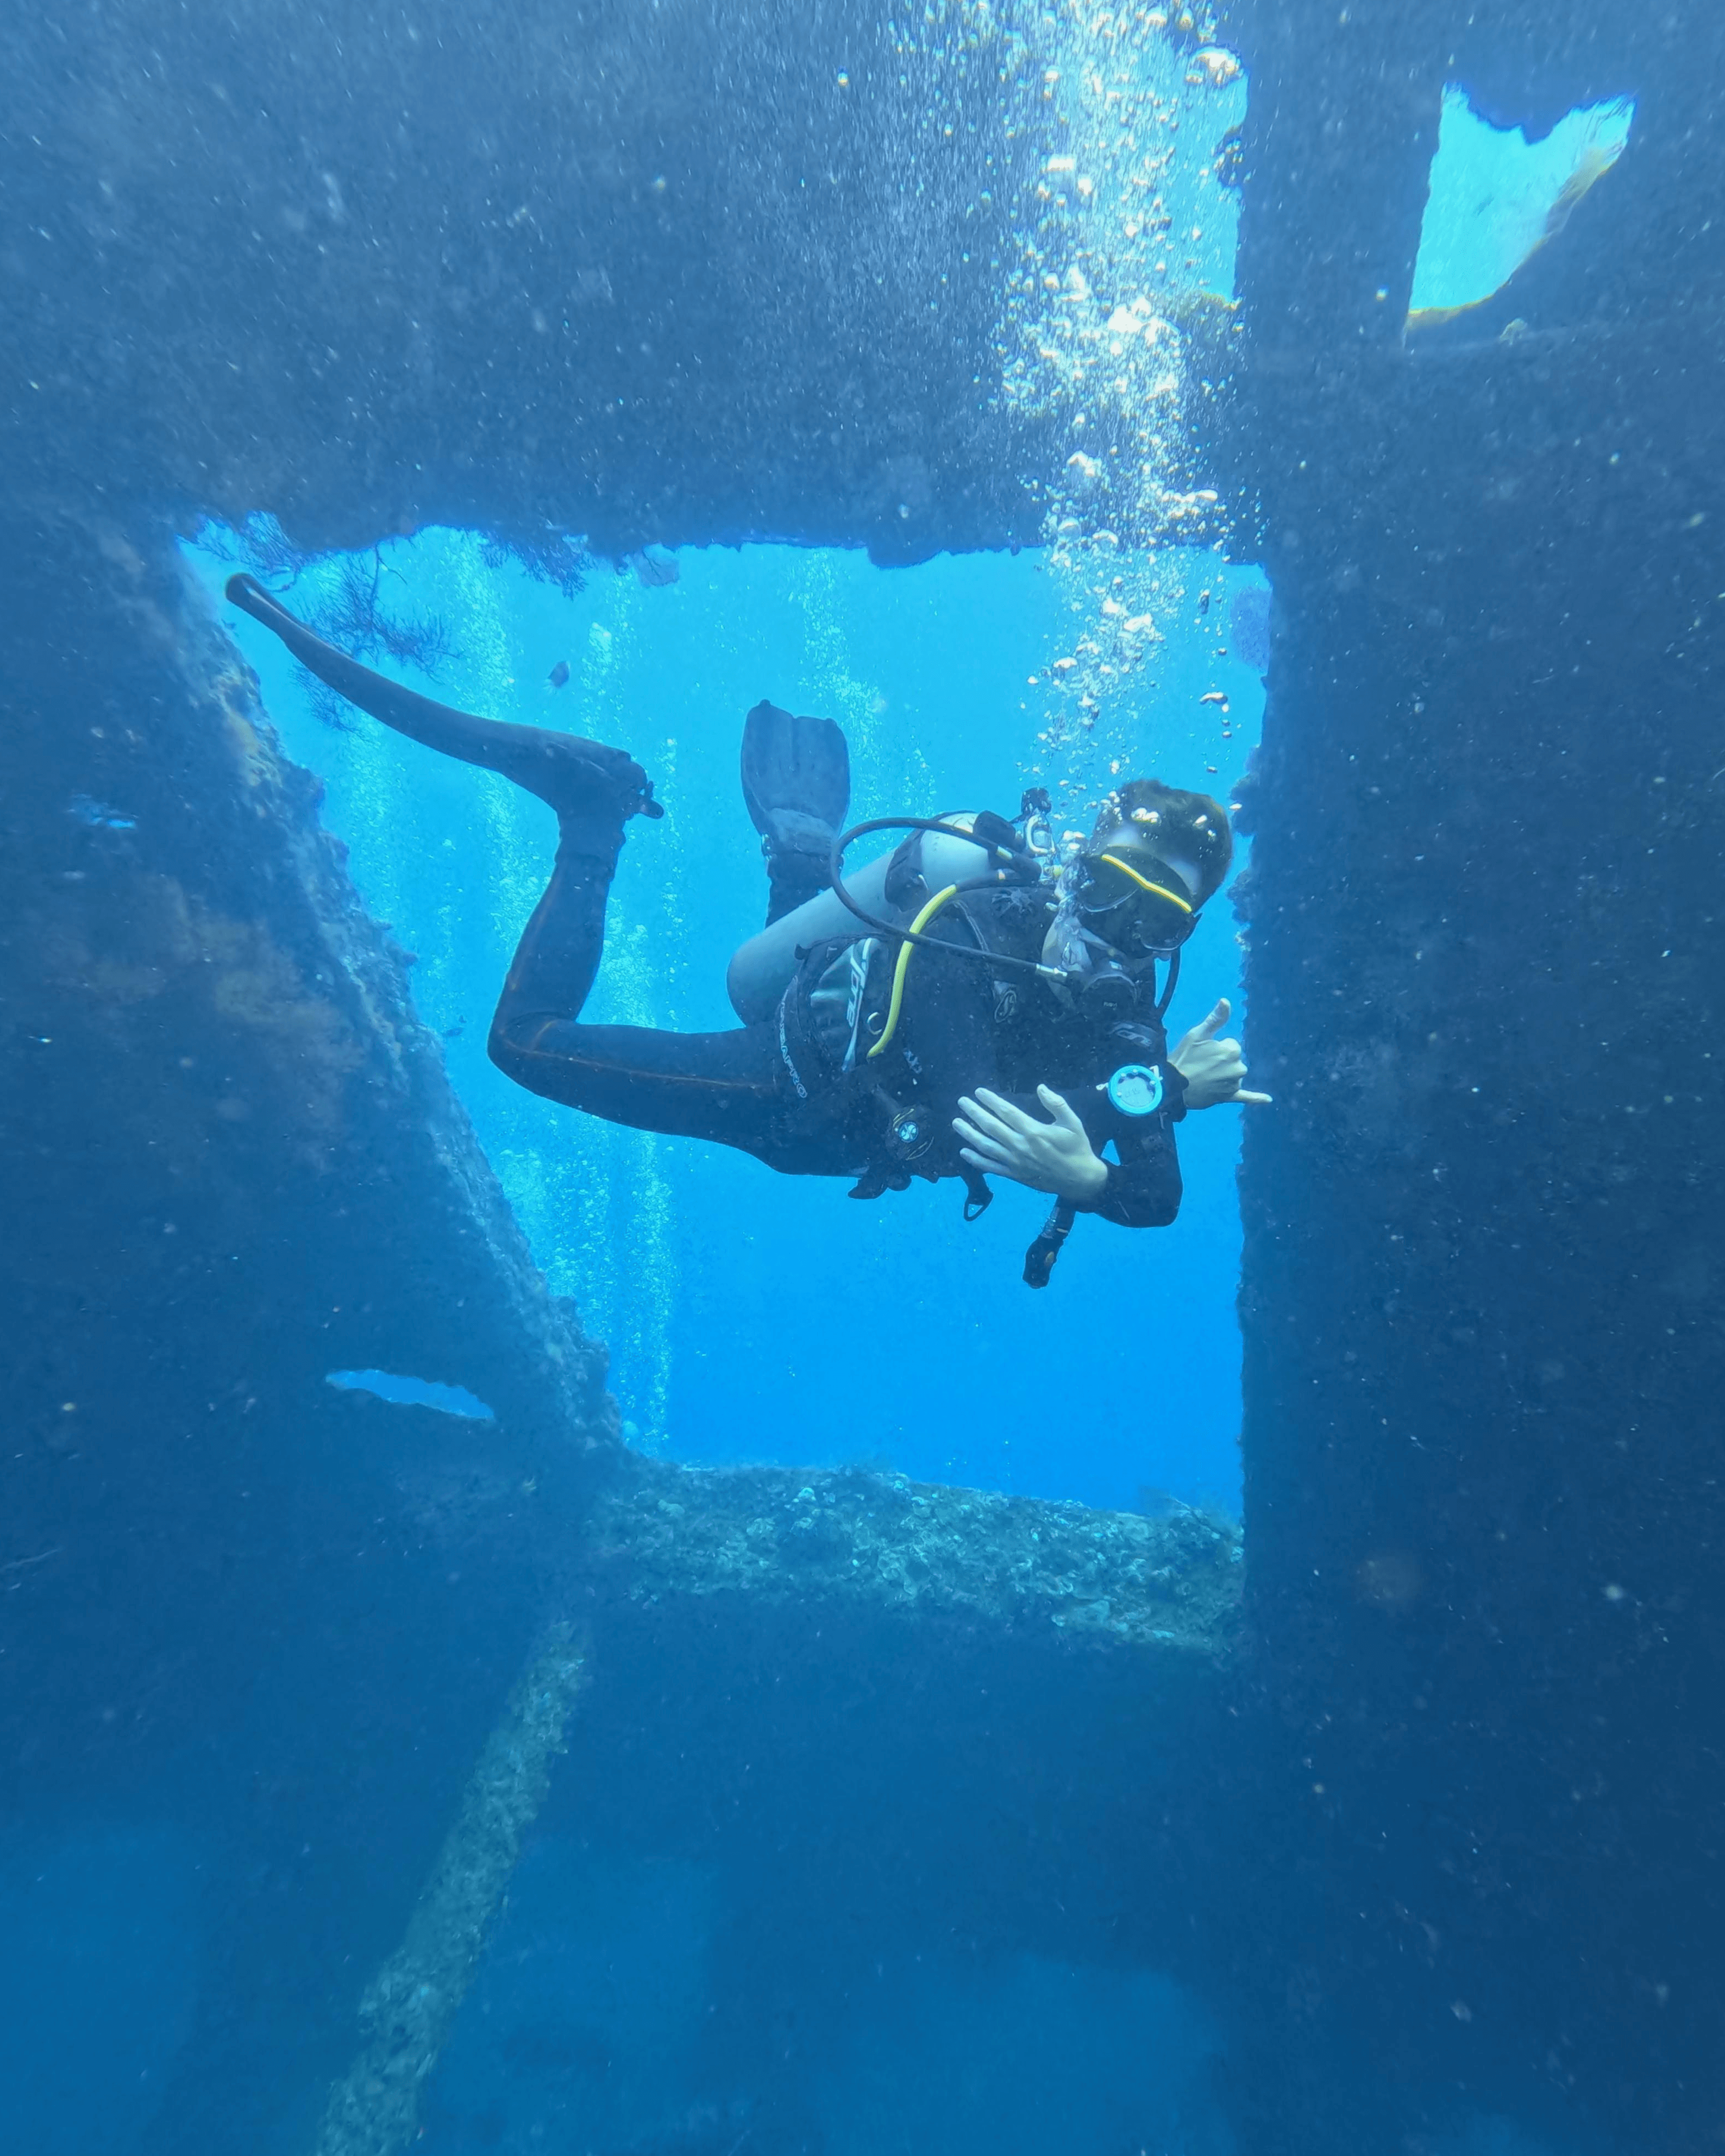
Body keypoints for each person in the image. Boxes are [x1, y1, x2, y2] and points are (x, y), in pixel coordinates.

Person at [226, 574, 1267, 1286]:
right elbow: (963, 1118)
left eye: (1159, 914)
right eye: (1113, 886)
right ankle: (590, 823)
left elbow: (1151, 1196)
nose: (1121, 929)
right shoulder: (980, 922)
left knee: (805, 952)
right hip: (786, 1088)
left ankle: (801, 858)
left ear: (1183, 931)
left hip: (842, 1029)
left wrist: (1096, 1165)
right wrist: (1162, 1090)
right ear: (1075, 868)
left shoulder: (1129, 1014)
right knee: (522, 1046)